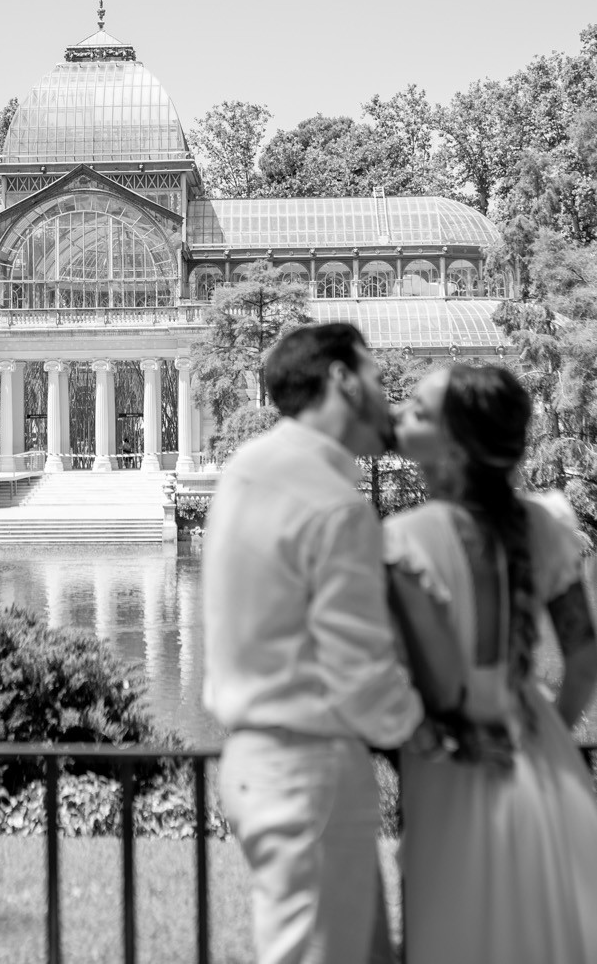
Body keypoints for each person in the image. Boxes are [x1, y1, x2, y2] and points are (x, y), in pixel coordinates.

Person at [385, 362, 597, 964]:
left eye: (417, 409)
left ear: (455, 444)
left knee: (454, 927)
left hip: (446, 755)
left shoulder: (400, 540)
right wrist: (547, 734)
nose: (399, 414)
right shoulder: (544, 527)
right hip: (537, 751)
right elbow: (584, 665)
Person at [201, 322, 425, 964]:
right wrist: (431, 737)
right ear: (342, 380)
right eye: (378, 379)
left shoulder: (250, 468)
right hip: (310, 773)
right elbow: (358, 670)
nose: (390, 399)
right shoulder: (331, 502)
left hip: (259, 763)